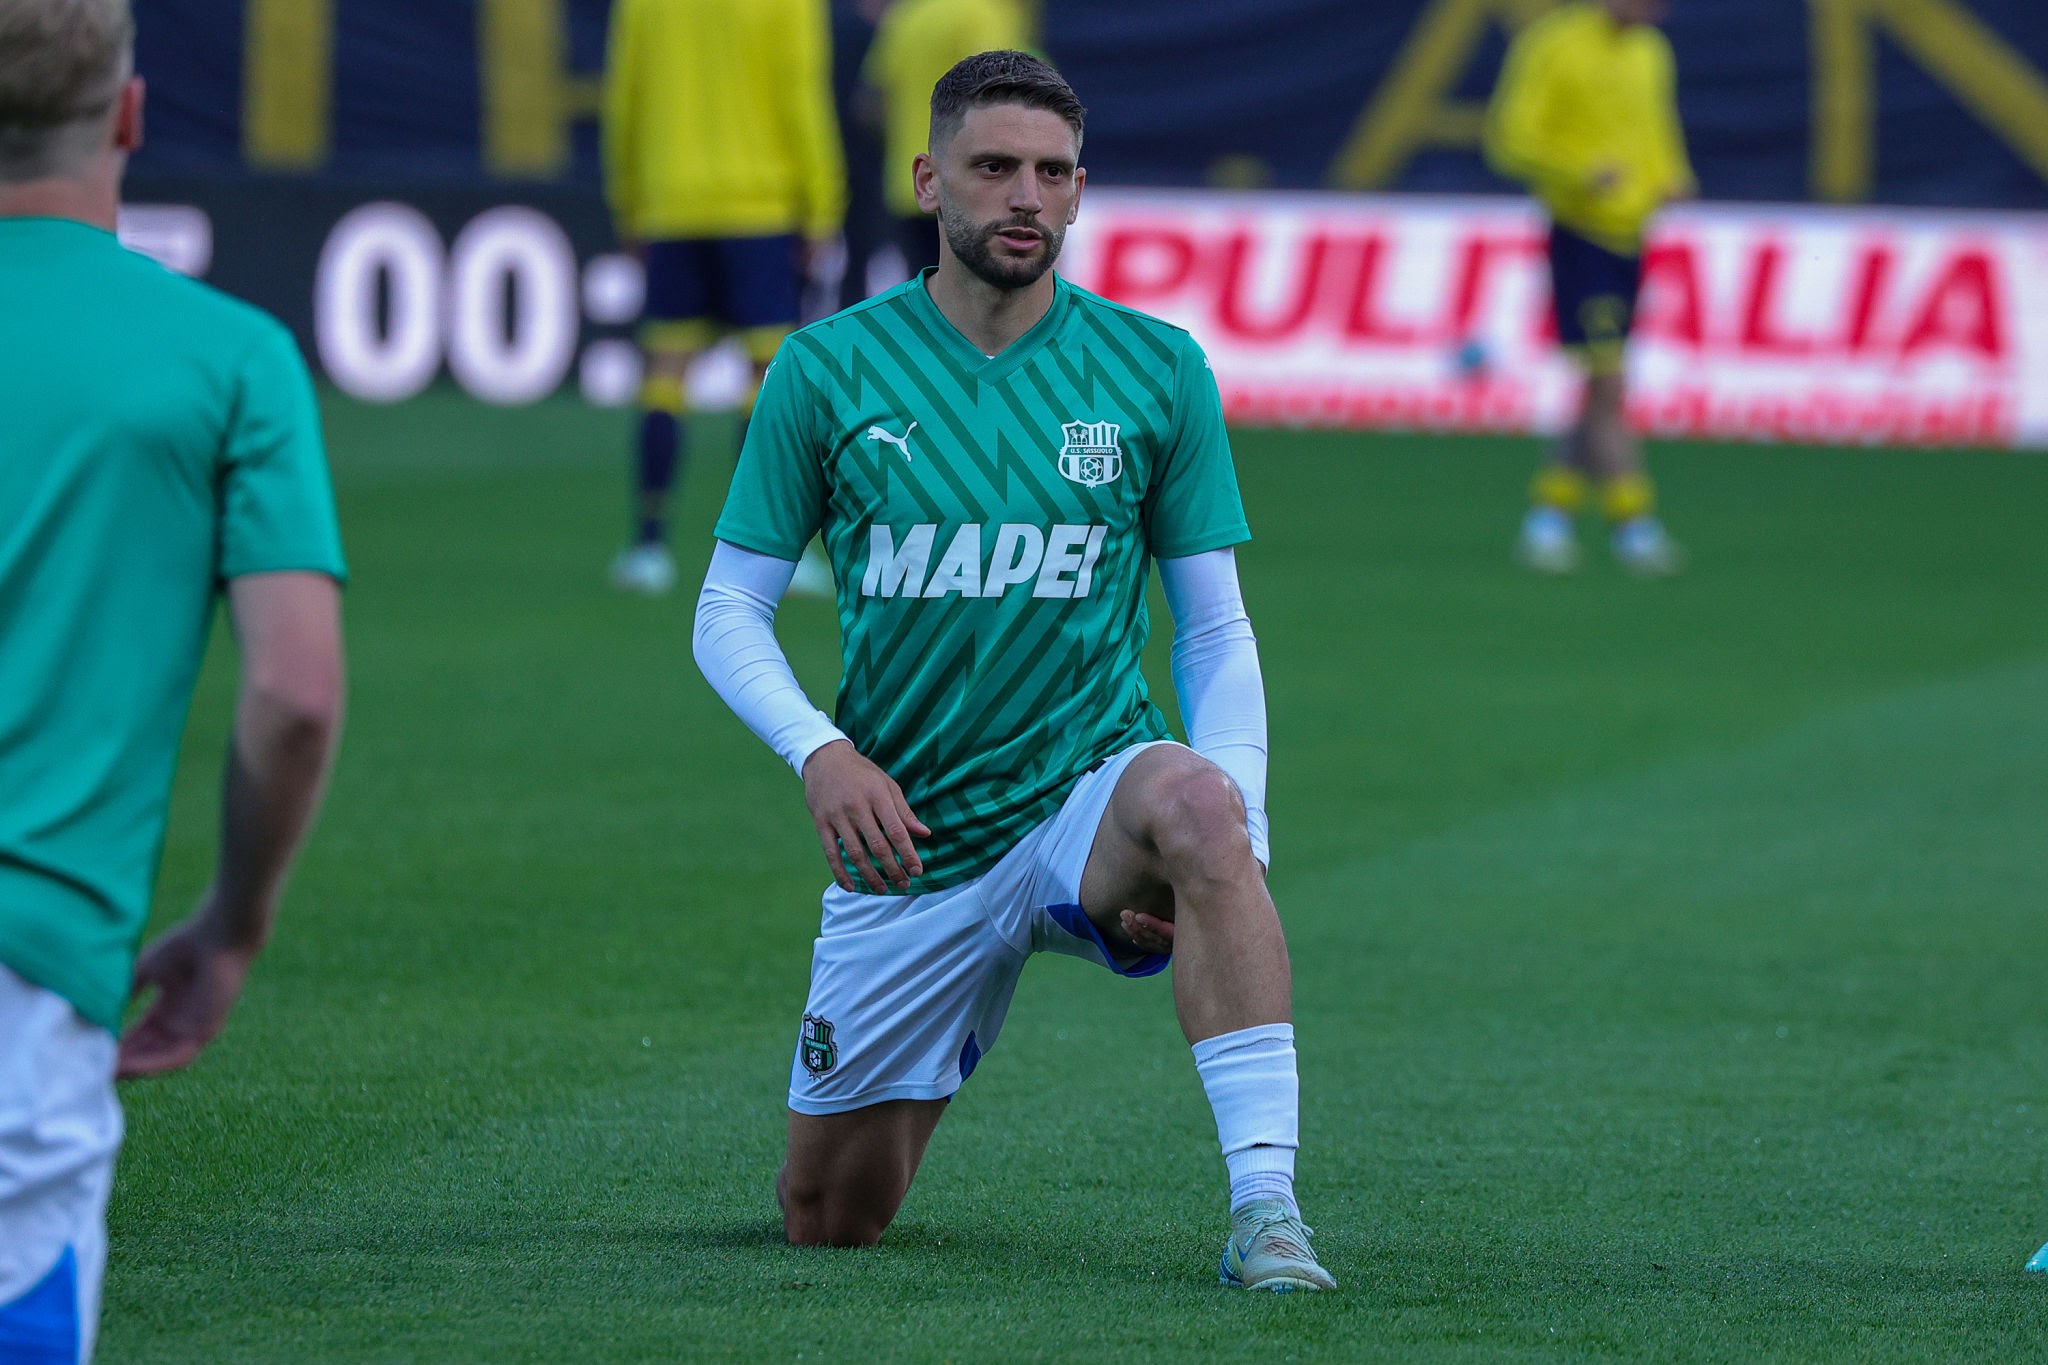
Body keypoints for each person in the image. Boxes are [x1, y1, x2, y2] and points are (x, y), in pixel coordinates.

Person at [692, 49, 1335, 1291]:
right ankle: (967, 986)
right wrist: (820, 752)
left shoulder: (1154, 369)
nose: (1025, 196)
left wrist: (1239, 837)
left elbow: (1212, 631)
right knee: (829, 1219)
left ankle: (1267, 1209)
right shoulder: (825, 369)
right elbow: (727, 610)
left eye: (1052, 172)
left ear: (1080, 189)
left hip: (1089, 788)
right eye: (993, 167)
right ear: (929, 181)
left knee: (1200, 809)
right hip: (911, 838)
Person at [0, 0, 347, 1357]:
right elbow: (295, 696)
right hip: (32, 972)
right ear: (130, 113)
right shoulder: (228, 358)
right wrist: (232, 925)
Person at [603, 0, 847, 597]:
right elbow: (800, 95)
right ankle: (768, 552)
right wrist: (822, 201)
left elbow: (625, 96)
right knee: (767, 378)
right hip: (759, 204)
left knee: (665, 373)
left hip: (671, 201)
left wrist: (629, 200)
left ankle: (648, 548)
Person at [1485, 0, 1695, 576]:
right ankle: (1634, 521)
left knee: (1599, 388)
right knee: (1609, 380)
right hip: (1581, 232)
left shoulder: (1650, 51)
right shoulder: (1554, 44)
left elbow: (1655, 127)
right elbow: (1510, 139)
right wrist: (1579, 173)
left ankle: (1549, 515)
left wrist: (1671, 174)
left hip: (1633, 233)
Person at [861, 0, 1029, 279]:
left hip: (910, 184)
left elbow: (872, 104)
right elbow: (996, 92)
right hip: (968, 184)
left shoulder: (905, 17)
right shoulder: (984, 13)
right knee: (977, 292)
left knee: (923, 291)